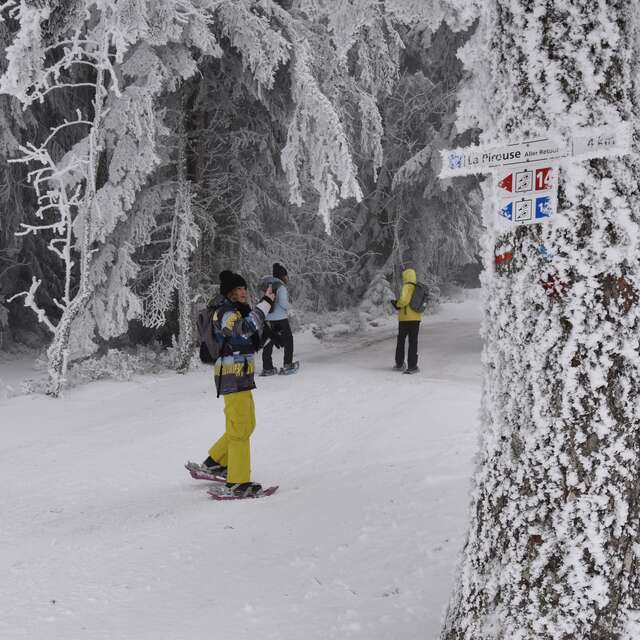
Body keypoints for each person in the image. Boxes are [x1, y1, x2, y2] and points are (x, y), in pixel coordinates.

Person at [199, 270, 275, 498]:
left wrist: (268, 333)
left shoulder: (237, 312)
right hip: (232, 377)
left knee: (246, 424)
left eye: (244, 289)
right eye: (238, 289)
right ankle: (238, 482)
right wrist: (265, 305)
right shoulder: (224, 313)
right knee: (240, 427)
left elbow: (246, 341)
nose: (243, 292)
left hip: (241, 378)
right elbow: (241, 329)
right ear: (230, 293)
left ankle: (215, 461)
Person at [261, 262, 297, 375]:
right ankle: (287, 365)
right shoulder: (281, 287)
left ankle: (267, 368)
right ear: (282, 276)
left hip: (268, 318)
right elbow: (283, 304)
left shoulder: (266, 285)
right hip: (281, 318)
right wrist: (290, 307)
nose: (287, 277)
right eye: (286, 275)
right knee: (288, 340)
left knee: (269, 341)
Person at [392, 267, 423, 374]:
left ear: (406, 276)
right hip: (416, 319)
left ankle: (399, 364)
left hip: (404, 319)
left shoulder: (407, 286)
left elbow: (404, 300)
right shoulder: (418, 287)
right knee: (413, 342)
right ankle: (412, 366)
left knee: (401, 341)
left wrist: (397, 304)